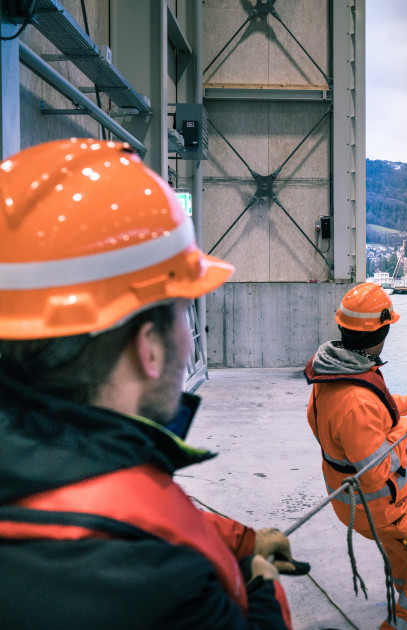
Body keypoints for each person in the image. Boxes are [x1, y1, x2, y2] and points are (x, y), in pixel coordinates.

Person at [0, 139, 298, 629]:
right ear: (149, 347)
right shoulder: (155, 584)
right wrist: (263, 585)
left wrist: (239, 542)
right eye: (184, 312)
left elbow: (100, 509)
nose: (188, 335)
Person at [304, 283, 407, 630]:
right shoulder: (357, 399)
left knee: (403, 551)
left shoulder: (335, 373)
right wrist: (403, 430)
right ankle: (406, 616)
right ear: (383, 330)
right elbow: (377, 469)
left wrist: (406, 402)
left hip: (351, 502)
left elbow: (370, 412)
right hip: (378, 509)